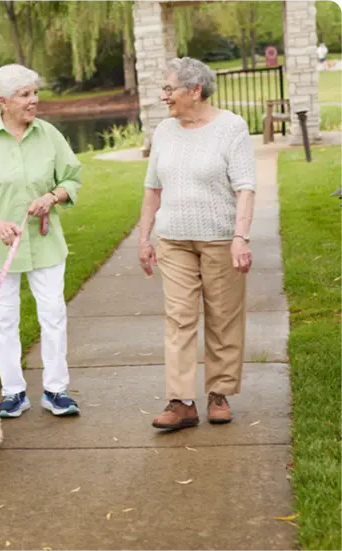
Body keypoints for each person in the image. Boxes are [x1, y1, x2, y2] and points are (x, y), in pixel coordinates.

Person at [137, 57, 256, 431]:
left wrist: (240, 236)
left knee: (223, 318)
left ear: (195, 91)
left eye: (169, 89)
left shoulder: (231, 128)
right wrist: (144, 237)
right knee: (180, 318)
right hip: (174, 240)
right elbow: (152, 188)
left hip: (220, 239)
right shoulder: (165, 131)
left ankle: (218, 394)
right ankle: (181, 401)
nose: (164, 96)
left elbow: (245, 187)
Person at [0, 64, 82, 418]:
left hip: (44, 242)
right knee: (3, 319)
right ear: (4, 101)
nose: (34, 100)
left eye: (35, 92)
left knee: (54, 313)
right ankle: (13, 392)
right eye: (25, 95)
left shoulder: (49, 135)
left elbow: (72, 177)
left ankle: (56, 390)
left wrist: (53, 197)